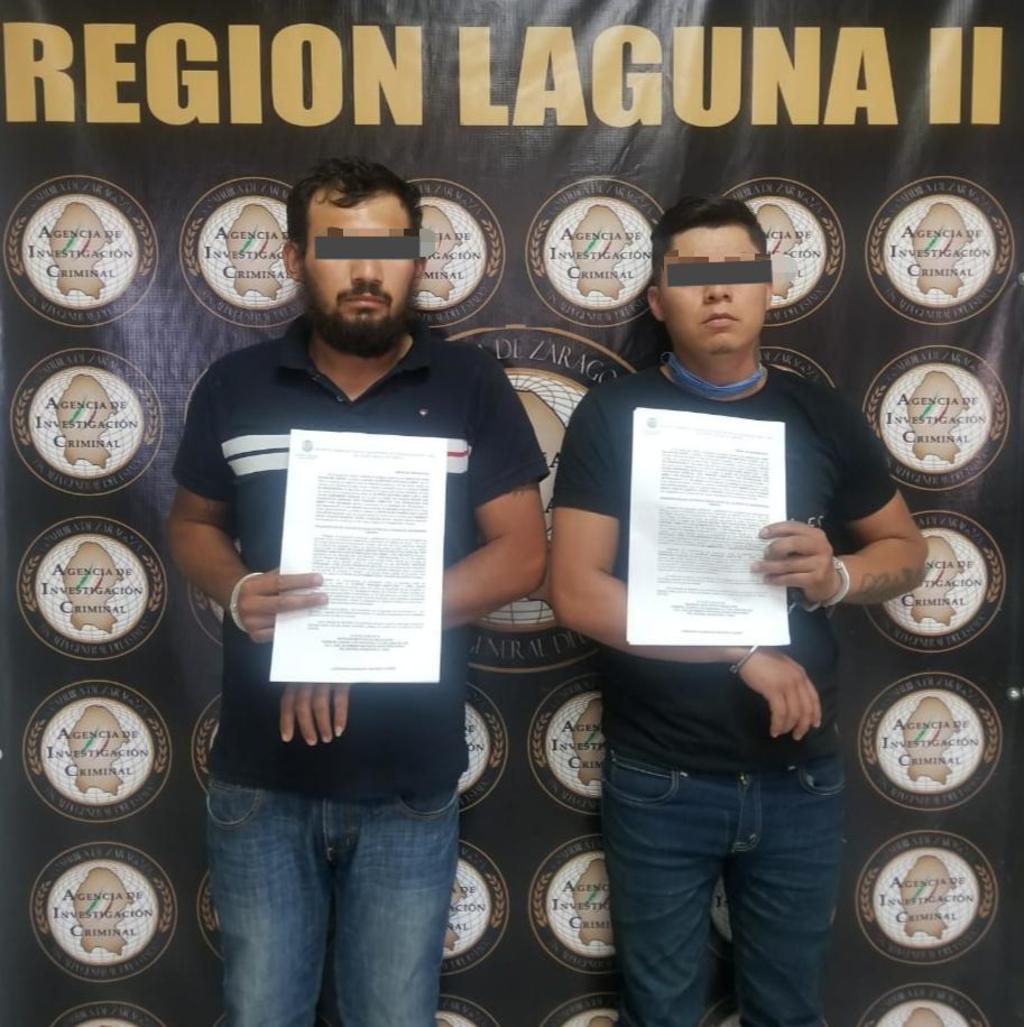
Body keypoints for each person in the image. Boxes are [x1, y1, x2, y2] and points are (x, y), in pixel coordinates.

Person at [168, 157, 547, 1027]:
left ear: (417, 262)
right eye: (339, 248)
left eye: (390, 249)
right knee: (261, 1012)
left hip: (408, 779)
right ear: (295, 258)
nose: (367, 271)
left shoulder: (471, 385)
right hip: (261, 779)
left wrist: (357, 630)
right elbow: (191, 527)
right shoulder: (234, 386)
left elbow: (523, 555)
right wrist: (236, 587)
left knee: (393, 1014)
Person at [550, 195, 926, 1027]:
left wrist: (837, 575)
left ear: (767, 286)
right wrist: (741, 650)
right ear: (658, 300)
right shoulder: (613, 415)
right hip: (661, 775)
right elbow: (576, 590)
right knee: (660, 1014)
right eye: (693, 275)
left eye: (737, 271)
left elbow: (907, 551)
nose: (717, 291)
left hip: (800, 774)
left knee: (788, 1011)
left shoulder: (820, 413)